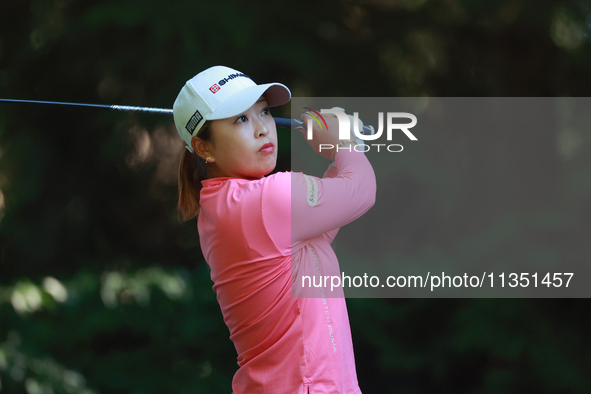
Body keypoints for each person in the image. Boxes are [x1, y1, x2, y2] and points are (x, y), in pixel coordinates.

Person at [173, 65, 376, 394]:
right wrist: (342, 145)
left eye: (264, 112)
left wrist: (349, 147)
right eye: (240, 119)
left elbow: (319, 231)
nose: (263, 129)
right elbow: (361, 192)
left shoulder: (224, 205)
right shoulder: (268, 199)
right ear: (204, 147)